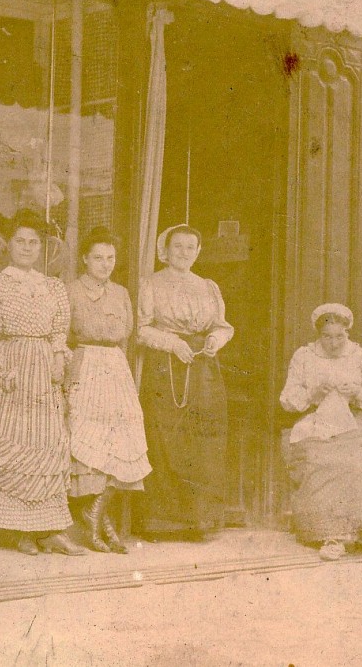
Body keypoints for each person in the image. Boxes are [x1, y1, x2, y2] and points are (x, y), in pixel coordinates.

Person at [0, 210, 85, 556]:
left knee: (48, 445)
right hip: (11, 369)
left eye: (34, 242)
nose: (27, 248)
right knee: (12, 445)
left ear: (42, 247)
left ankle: (50, 530)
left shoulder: (53, 286)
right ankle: (20, 532)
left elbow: (59, 331)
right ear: (8, 244)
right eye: (20, 241)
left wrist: (58, 360)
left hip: (43, 373)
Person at [279, 303, 362, 561]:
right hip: (314, 423)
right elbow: (288, 398)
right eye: (326, 337)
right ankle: (331, 535)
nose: (333, 343)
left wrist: (355, 391)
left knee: (356, 461)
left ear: (348, 332)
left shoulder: (361, 357)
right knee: (323, 460)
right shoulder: (304, 356)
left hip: (352, 422)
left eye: (339, 336)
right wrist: (314, 393)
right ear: (318, 334)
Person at [136, 224, 234, 539]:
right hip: (165, 367)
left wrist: (215, 340)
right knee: (165, 437)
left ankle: (199, 521)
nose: (184, 253)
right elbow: (140, 328)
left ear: (198, 252)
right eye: (177, 246)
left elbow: (223, 326)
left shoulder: (208, 286)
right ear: (165, 250)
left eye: (190, 247)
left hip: (202, 368)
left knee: (202, 440)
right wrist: (172, 343)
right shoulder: (151, 284)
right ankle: (163, 522)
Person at [65, 227, 151, 553]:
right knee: (91, 442)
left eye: (110, 258)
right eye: (98, 257)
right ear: (85, 259)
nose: (105, 264)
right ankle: (93, 516)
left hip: (115, 366)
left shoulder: (121, 293)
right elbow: (65, 334)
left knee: (123, 443)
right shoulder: (71, 291)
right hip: (84, 362)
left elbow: (127, 332)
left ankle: (99, 515)